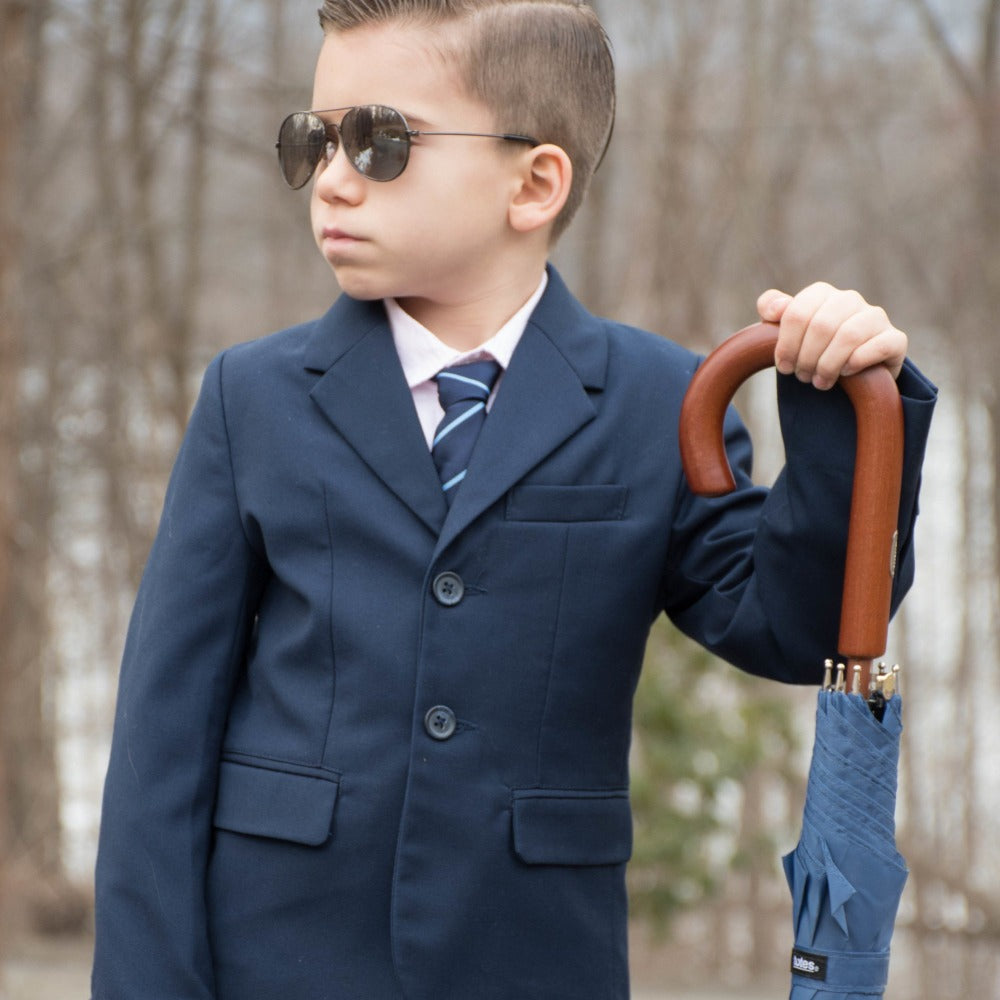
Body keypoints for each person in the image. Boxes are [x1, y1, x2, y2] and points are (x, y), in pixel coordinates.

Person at [90, 2, 937, 998]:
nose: (331, 177)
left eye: (379, 139)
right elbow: (161, 747)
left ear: (533, 183)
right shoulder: (254, 397)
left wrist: (841, 415)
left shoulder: (662, 401)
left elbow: (795, 630)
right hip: (277, 957)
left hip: (535, 961)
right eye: (312, 140)